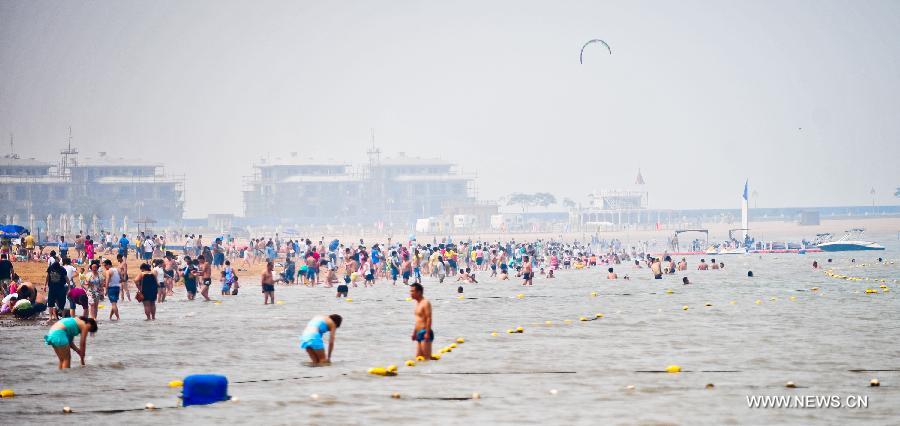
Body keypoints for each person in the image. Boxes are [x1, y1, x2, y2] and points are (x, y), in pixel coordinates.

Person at [410, 283, 433, 360]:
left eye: (412, 291)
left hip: (425, 332)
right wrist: (414, 332)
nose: (411, 293)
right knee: (418, 359)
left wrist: (427, 333)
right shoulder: (417, 303)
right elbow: (418, 320)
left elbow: (428, 318)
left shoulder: (425, 303)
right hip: (419, 333)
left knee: (426, 359)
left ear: (419, 292)